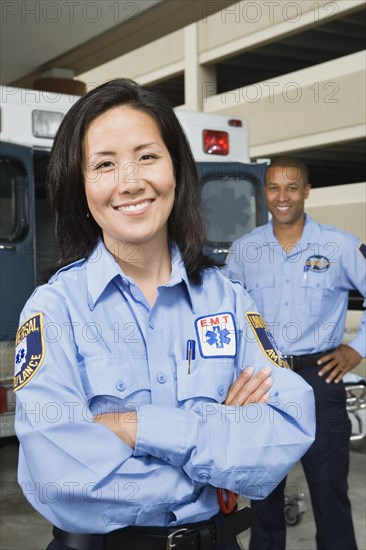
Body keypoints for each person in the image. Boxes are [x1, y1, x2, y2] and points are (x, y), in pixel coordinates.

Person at [14, 81, 315, 550]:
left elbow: (290, 424)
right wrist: (219, 456)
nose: (130, 180)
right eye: (105, 164)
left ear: (177, 168)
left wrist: (132, 427)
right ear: (80, 185)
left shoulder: (228, 299)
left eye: (147, 156)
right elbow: (61, 476)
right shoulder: (54, 309)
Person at [224, 156, 366, 550]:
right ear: (263, 191)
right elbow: (226, 315)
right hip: (263, 380)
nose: (281, 196)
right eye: (273, 187)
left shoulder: (338, 245)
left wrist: (356, 349)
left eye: (291, 187)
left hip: (320, 377)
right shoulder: (245, 249)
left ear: (306, 191)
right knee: (264, 486)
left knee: (328, 485)